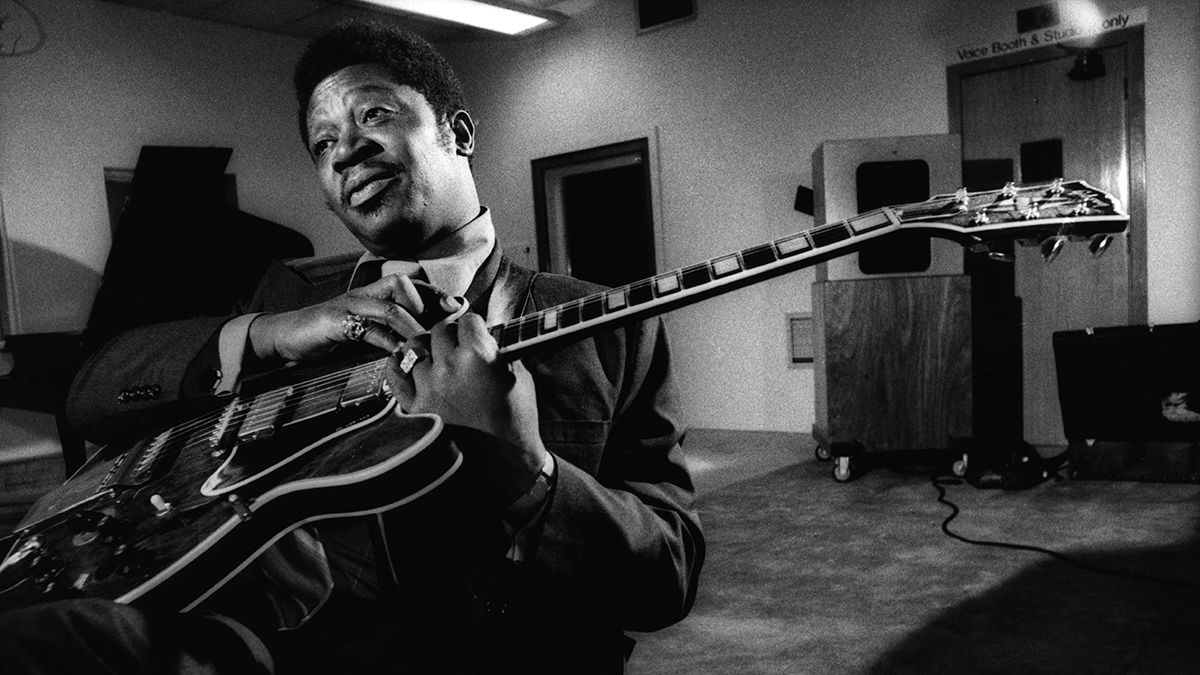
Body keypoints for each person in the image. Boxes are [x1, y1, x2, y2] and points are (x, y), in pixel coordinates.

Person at [0, 20, 704, 674]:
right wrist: (270, 333)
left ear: (457, 132)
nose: (347, 150)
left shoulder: (609, 322)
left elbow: (667, 576)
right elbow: (92, 392)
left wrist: (528, 470)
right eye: (323, 142)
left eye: (373, 115)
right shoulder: (288, 298)